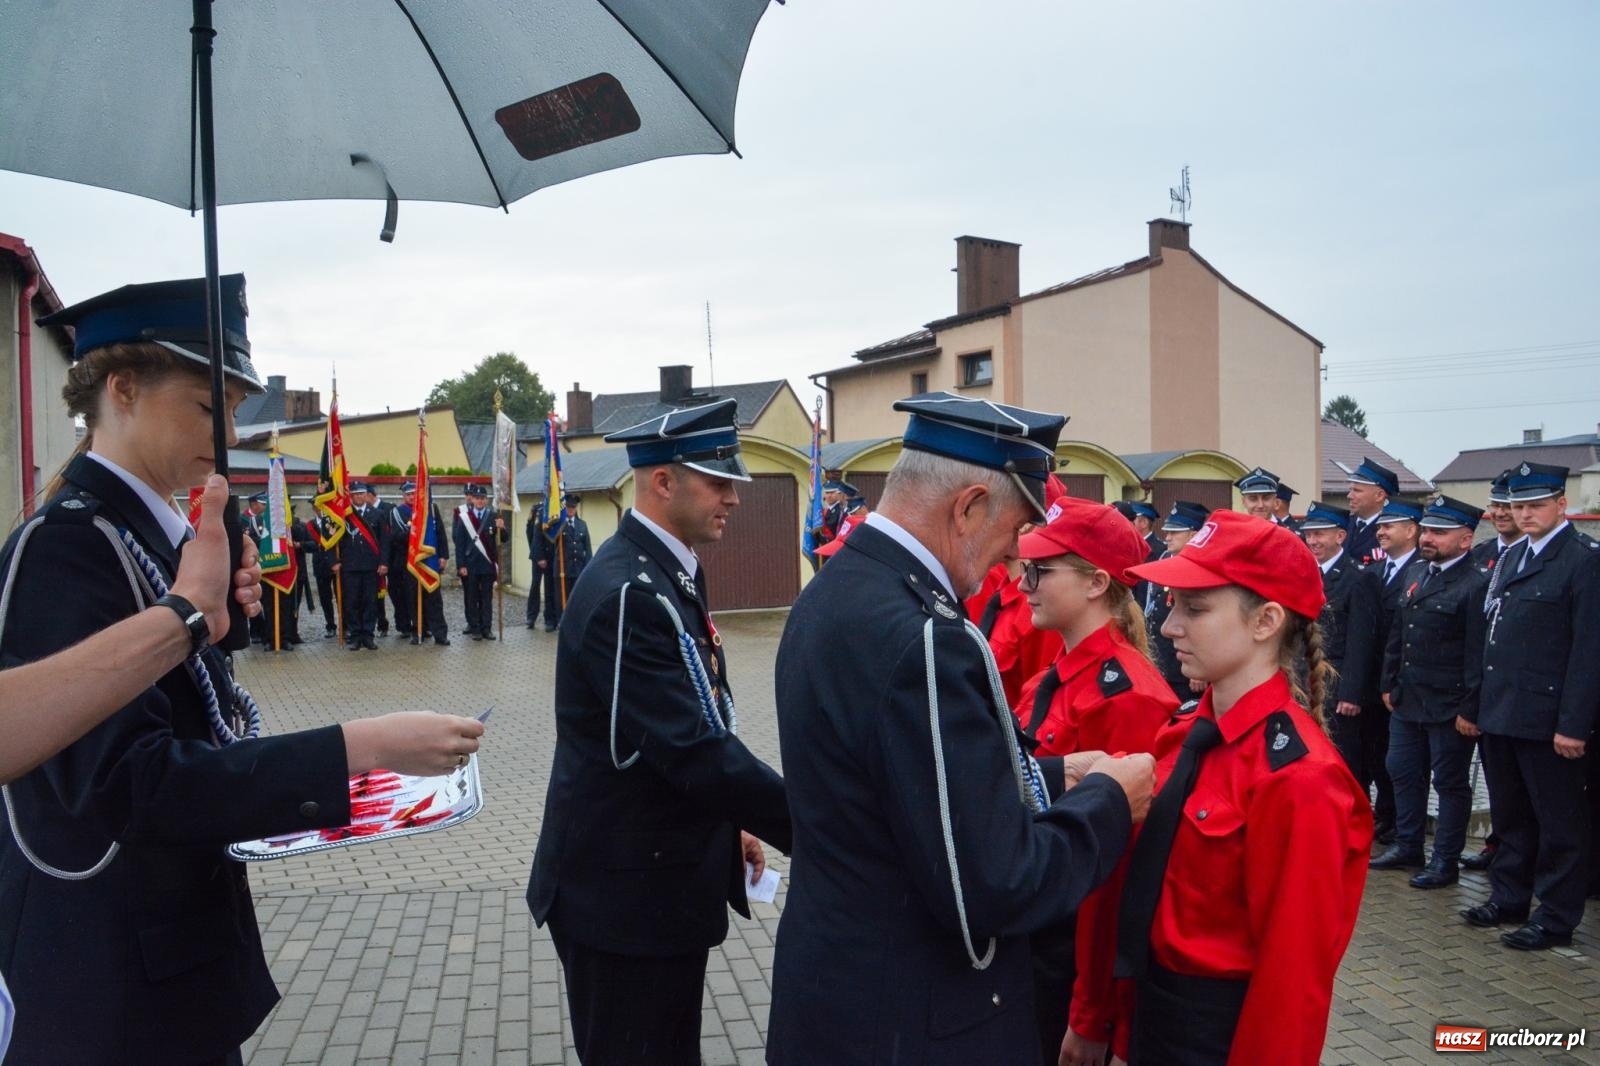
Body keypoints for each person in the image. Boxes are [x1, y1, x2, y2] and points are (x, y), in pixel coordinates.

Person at [0, 275, 485, 1066]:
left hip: (168, 964)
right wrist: (358, 745)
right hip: (109, 990)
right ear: (123, 390)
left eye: (233, 408)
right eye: (205, 404)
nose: (227, 430)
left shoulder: (156, 537)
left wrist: (213, 630)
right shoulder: (68, 548)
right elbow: (136, 787)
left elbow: (194, 717)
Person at [768, 393, 1154, 1066]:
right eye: (1013, 533)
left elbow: (901, 783)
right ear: (969, 506)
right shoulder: (927, 638)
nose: (1011, 562)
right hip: (914, 1020)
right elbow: (998, 882)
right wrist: (1108, 803)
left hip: (837, 998)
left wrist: (1052, 775)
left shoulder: (832, 594)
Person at [527, 398, 791, 1066]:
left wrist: (728, 821)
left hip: (654, 888)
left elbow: (675, 732)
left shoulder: (661, 572)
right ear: (663, 482)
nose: (732, 497)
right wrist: (821, 824)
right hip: (623, 902)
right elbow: (694, 749)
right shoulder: (630, 591)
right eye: (717, 480)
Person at [1119, 510, 1371, 1065]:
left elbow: (1293, 979)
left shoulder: (1300, 779)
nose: (1167, 626)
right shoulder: (1188, 734)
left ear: (1266, 622)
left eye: (1196, 609)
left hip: (1216, 1033)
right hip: (1152, 1011)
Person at [1013, 499, 1178, 1066]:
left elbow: (1118, 873)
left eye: (1041, 570)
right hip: (1033, 930)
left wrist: (1091, 1013)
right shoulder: (1049, 681)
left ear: (1096, 583)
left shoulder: (1127, 694)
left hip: (1069, 955)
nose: (1024, 582)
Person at [1464, 461, 1600, 950]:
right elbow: (1494, 639)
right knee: (1511, 815)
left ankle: (1557, 915)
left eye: (1535, 504)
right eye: (1517, 505)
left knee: (1559, 822)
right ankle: (1509, 897)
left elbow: (1589, 650)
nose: (1524, 514)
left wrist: (1574, 725)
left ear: (1561, 505)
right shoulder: (1510, 557)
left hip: (1548, 721)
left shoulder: (1583, 560)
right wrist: (1481, 707)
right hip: (1503, 713)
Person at [1373, 496, 1488, 889]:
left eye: (1440, 532)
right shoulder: (1418, 572)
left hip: (1449, 704)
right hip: (1409, 698)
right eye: (1427, 530)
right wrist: (1389, 682)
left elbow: (1478, 654)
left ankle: (1445, 859)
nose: (1429, 538)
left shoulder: (1475, 584)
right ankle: (1409, 845)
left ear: (1466, 539)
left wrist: (1470, 709)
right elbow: (1398, 634)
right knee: (1402, 771)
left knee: (1450, 784)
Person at [1299, 502, 1384, 836]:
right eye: (1309, 534)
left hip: (1339, 685)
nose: (1314, 540)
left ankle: (1351, 821)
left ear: (1341, 536)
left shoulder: (1357, 579)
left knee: (1346, 758)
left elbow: (1362, 640)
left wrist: (1352, 692)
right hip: (1306, 679)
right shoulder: (1307, 573)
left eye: (1320, 534)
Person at [1463, 470, 1518, 871]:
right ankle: (1497, 845)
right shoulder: (1482, 557)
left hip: (1521, 690)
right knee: (1499, 784)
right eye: (1495, 505)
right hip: (1483, 684)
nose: (1499, 513)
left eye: (1507, 505)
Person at [1144, 500, 1211, 701]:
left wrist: (1201, 668)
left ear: (1193, 535)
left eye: (1175, 533)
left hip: (1186, 667)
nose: (1168, 537)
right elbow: (1151, 610)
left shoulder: (1201, 570)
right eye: (1168, 532)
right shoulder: (1164, 560)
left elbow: (1203, 623)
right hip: (1161, 660)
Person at [335, 480, 390, 650]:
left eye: (361, 493)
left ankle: (368, 635)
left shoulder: (377, 515)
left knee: (370, 602)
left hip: (371, 566)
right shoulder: (343, 515)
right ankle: (355, 635)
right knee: (351, 602)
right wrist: (334, 561)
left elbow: (385, 541)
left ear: (367, 495)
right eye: (355, 494)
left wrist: (384, 562)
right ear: (350, 496)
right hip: (349, 566)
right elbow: (332, 541)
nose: (359, 497)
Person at [395, 480, 451, 645]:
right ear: (404, 496)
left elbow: (440, 533)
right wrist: (414, 535)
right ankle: (418, 631)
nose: (412, 497)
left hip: (431, 561)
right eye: (408, 494)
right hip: (412, 563)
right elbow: (396, 536)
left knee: (434, 600)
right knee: (413, 599)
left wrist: (443, 556)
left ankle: (440, 633)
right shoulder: (398, 512)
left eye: (414, 493)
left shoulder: (431, 509)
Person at [454, 484, 504, 640]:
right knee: (472, 597)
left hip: (487, 564)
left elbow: (503, 540)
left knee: (487, 599)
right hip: (471, 564)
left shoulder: (494, 516)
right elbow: (459, 543)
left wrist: (502, 528)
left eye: (483, 498)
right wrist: (461, 565)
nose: (480, 501)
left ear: (486, 500)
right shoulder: (465, 518)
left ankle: (486, 628)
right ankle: (475, 628)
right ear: (473, 500)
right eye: (477, 498)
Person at [538, 493, 593, 632]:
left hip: (578, 569)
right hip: (563, 569)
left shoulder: (582, 525)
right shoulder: (558, 525)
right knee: (561, 599)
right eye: (568, 507)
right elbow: (547, 535)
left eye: (573, 507)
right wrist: (553, 525)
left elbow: (587, 548)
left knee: (577, 599)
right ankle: (562, 623)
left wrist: (588, 569)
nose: (571, 510)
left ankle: (575, 624)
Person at [1342, 456, 1400, 567]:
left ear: (1379, 495)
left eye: (1357, 491)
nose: (1349, 496)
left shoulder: (1393, 531)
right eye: (1350, 490)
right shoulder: (1343, 524)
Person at [523, 508, 543, 628]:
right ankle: (531, 617)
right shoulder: (537, 509)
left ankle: (551, 618)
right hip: (538, 555)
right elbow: (530, 531)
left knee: (551, 587)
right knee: (535, 584)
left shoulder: (560, 506)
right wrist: (536, 552)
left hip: (553, 555)